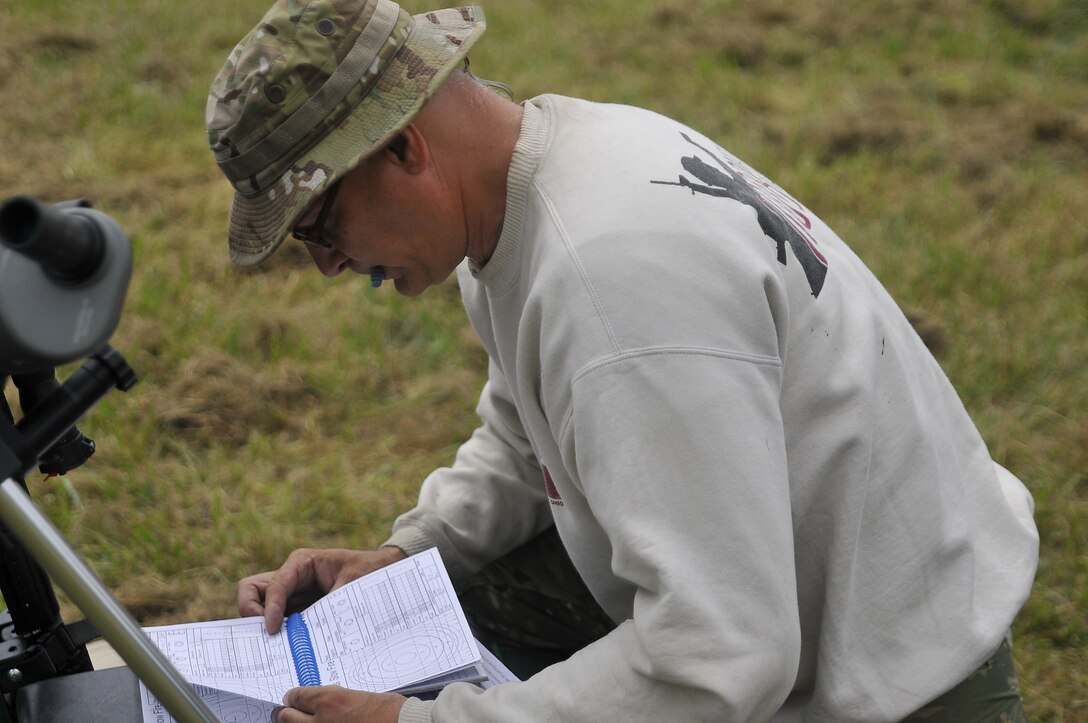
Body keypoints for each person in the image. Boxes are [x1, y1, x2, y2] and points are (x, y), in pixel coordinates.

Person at [206, 1, 1040, 721]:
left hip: (895, 686)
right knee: (462, 597)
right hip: (820, 611)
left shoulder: (609, 284)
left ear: (404, 147)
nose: (327, 264)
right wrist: (406, 555)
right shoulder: (531, 184)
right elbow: (529, 431)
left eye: (319, 224)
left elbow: (721, 657)